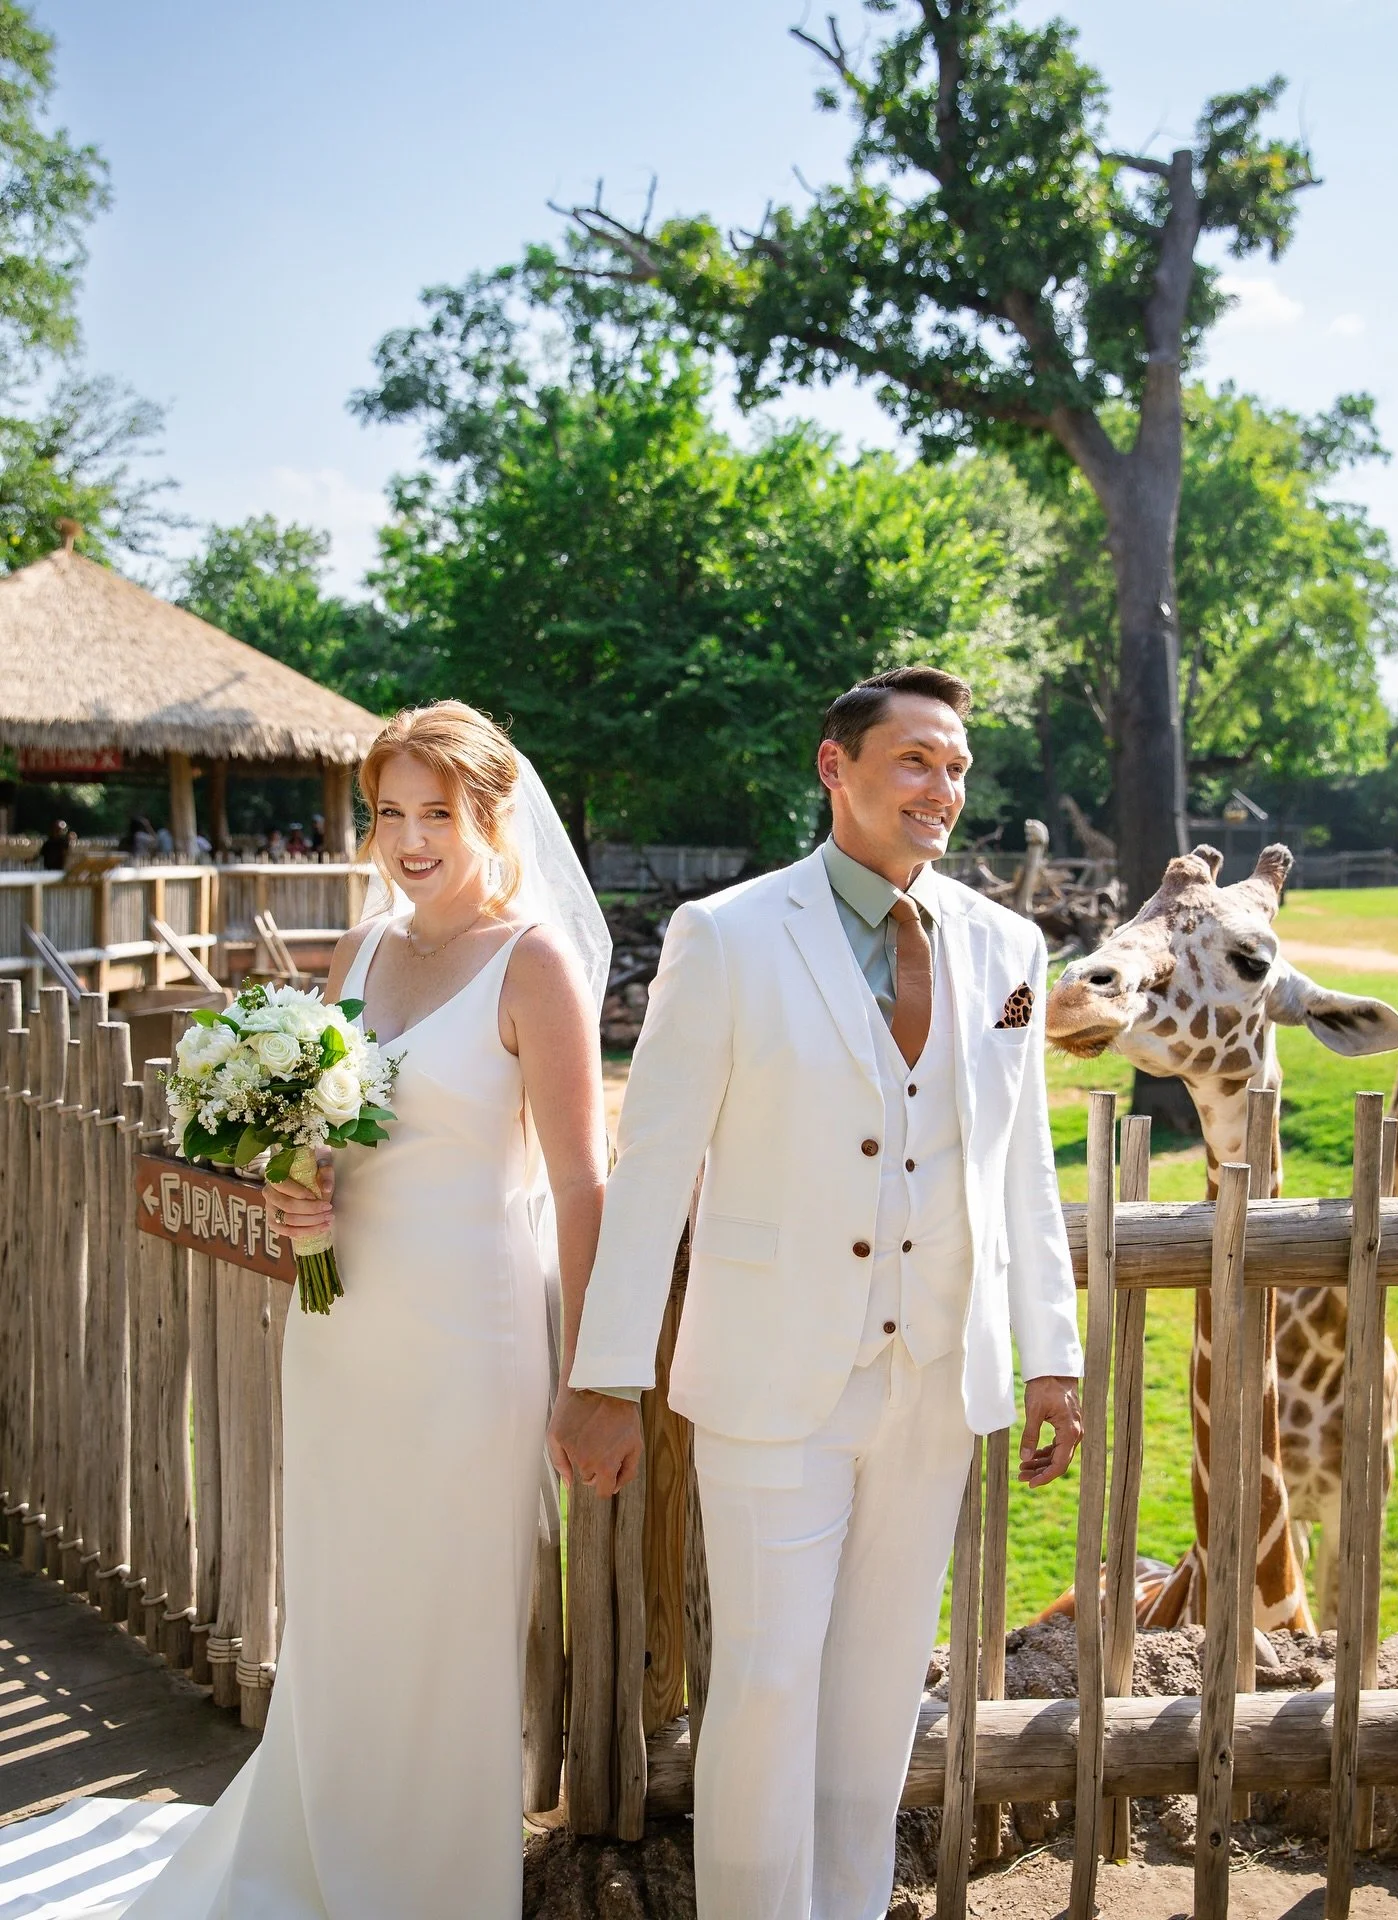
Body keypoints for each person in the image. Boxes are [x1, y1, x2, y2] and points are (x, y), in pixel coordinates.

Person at [553, 665, 1084, 1920]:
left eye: (957, 767)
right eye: (915, 761)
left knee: (879, 1688)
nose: (943, 789)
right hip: (772, 1381)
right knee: (772, 1683)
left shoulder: (1009, 948)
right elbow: (653, 1173)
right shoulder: (728, 936)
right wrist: (605, 1380)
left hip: (934, 1382)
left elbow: (1023, 1166)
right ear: (835, 768)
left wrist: (1049, 1353)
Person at [112, 701, 611, 1919]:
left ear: (492, 813)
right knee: (343, 1593)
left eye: (437, 812)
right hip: (341, 1333)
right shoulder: (363, 952)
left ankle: (432, 1882)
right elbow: (324, 1143)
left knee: (447, 1609)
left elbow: (584, 1179)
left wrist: (593, 1377)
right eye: (389, 813)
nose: (410, 838)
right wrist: (302, 1193)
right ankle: (321, 1856)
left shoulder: (534, 963)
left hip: (469, 1337)